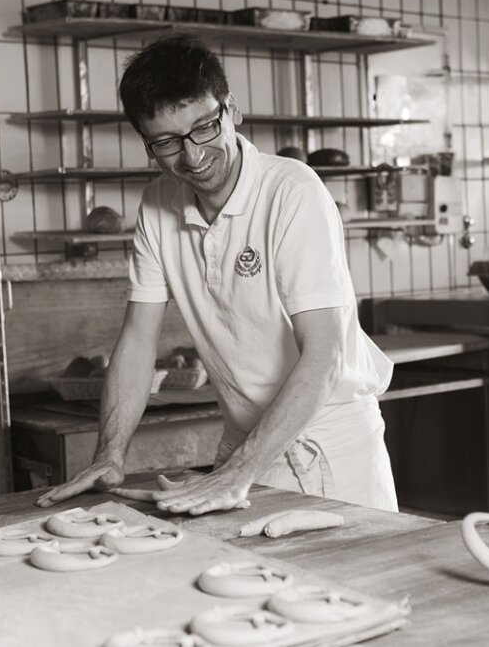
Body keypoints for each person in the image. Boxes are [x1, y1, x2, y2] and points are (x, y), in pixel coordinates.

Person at [36, 35, 398, 514]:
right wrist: (110, 454)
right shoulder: (157, 204)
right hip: (243, 448)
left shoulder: (293, 192)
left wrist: (238, 473)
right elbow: (138, 340)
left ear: (233, 110)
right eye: (166, 142)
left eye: (204, 128)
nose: (192, 156)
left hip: (327, 448)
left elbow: (324, 355)